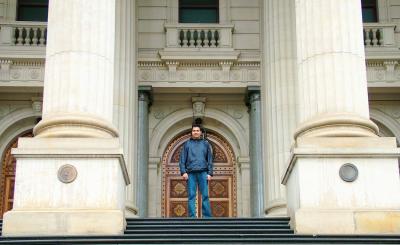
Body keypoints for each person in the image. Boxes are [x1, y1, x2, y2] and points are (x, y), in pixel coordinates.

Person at [179, 124, 213, 218]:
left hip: (203, 172)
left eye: (197, 130)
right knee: (191, 196)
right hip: (190, 173)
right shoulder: (187, 144)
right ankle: (192, 217)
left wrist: (210, 173)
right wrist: (183, 172)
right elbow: (182, 159)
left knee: (205, 195)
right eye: (194, 131)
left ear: (200, 132)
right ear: (191, 132)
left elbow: (209, 159)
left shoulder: (205, 144)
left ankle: (207, 217)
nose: (196, 132)